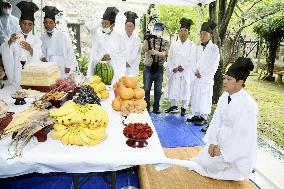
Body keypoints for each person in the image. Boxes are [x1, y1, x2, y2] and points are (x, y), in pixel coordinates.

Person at [187, 57, 258, 181]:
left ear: (240, 82)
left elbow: (243, 136)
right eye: (224, 78)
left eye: (229, 79)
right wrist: (212, 142)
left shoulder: (249, 105)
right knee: (203, 161)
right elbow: (216, 122)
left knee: (212, 168)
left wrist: (224, 151)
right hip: (221, 141)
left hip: (235, 150)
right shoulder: (224, 96)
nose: (224, 81)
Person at [0, 1, 42, 87]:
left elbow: (39, 56)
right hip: (16, 76)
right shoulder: (13, 37)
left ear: (33, 25)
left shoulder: (36, 40)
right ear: (19, 22)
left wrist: (31, 50)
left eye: (29, 24)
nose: (26, 27)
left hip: (31, 77)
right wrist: (9, 42)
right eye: (24, 23)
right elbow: (3, 50)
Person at [187, 21, 220, 125]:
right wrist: (195, 71)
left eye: (205, 34)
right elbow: (192, 61)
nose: (202, 36)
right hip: (196, 76)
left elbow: (213, 64)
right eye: (201, 34)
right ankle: (196, 114)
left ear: (210, 35)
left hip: (206, 78)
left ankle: (203, 117)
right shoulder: (198, 48)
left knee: (204, 96)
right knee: (196, 95)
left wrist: (203, 74)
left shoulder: (214, 48)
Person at [164, 18, 195, 116]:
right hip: (175, 71)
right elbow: (170, 57)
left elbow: (192, 58)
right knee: (174, 87)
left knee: (185, 89)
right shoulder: (174, 44)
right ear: (178, 32)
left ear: (188, 32)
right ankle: (174, 106)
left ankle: (184, 108)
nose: (183, 33)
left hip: (186, 72)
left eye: (185, 31)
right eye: (181, 30)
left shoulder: (191, 45)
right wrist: (173, 67)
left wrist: (184, 67)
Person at [88, 7, 126, 83]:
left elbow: (123, 54)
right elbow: (92, 30)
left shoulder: (119, 37)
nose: (104, 25)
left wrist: (111, 56)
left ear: (113, 25)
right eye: (103, 23)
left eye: (106, 23)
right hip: (99, 70)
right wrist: (100, 22)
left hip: (114, 70)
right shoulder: (98, 36)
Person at [142, 22, 170, 114]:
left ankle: (156, 108)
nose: (157, 32)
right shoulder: (149, 39)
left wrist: (156, 53)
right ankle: (146, 107)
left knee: (158, 89)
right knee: (146, 88)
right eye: (156, 30)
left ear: (162, 31)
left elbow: (165, 54)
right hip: (148, 68)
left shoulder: (166, 42)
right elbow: (145, 49)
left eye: (159, 30)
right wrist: (146, 39)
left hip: (159, 68)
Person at [41, 6, 75, 78]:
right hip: (48, 66)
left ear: (55, 23)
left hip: (62, 65)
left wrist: (68, 65)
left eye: (51, 22)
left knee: (62, 84)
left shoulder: (62, 36)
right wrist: (42, 58)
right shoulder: (42, 38)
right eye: (46, 22)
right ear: (43, 23)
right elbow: (41, 52)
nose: (48, 25)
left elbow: (70, 51)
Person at [0, 1, 21, 84]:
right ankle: (9, 76)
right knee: (7, 59)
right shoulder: (0, 19)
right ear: (2, 8)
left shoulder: (16, 19)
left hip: (15, 42)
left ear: (11, 8)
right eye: (5, 7)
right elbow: (1, 33)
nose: (7, 9)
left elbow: (18, 31)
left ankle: (16, 77)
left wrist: (14, 39)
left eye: (8, 7)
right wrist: (7, 40)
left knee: (16, 60)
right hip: (4, 43)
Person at [124, 11, 141, 76]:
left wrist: (129, 63)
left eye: (131, 26)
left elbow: (136, 53)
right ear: (124, 27)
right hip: (121, 65)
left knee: (131, 83)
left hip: (133, 66)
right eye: (127, 26)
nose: (129, 28)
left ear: (134, 27)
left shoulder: (137, 39)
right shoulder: (120, 38)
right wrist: (122, 62)